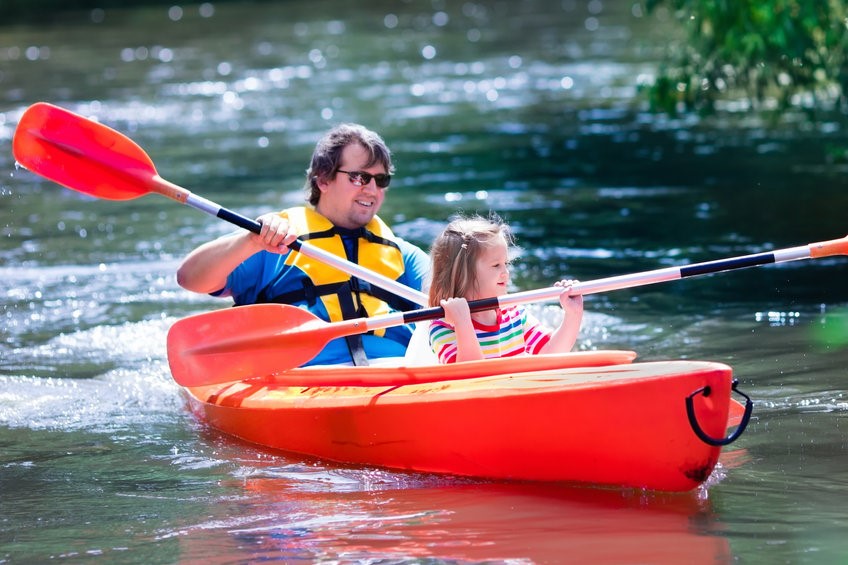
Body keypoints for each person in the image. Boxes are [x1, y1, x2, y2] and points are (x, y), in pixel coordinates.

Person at [176, 123, 429, 366]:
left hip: (395, 369)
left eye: (381, 180)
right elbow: (190, 278)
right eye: (359, 177)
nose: (373, 190)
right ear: (323, 181)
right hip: (301, 375)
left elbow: (454, 293)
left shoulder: (402, 255)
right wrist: (250, 241)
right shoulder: (273, 243)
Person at [427, 214, 583, 364]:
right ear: (462, 274)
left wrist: (573, 314)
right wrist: (463, 322)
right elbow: (470, 377)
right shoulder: (442, 327)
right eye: (496, 265)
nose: (506, 272)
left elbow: (551, 354)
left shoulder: (514, 314)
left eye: (506, 264)